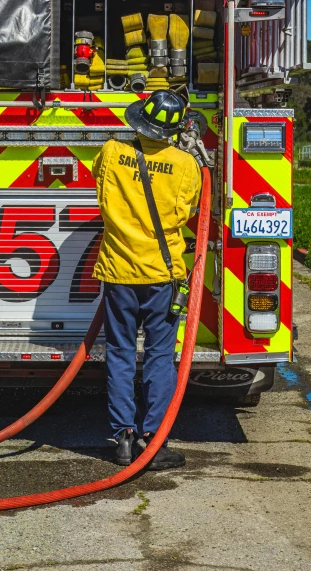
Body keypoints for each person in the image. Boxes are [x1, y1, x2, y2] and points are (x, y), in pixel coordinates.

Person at [92, 90, 201, 469]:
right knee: (159, 356)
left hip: (118, 272)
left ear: (139, 119)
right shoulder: (187, 165)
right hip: (162, 275)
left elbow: (99, 186)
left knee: (120, 353)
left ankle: (122, 439)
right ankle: (153, 442)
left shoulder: (110, 152)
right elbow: (187, 212)